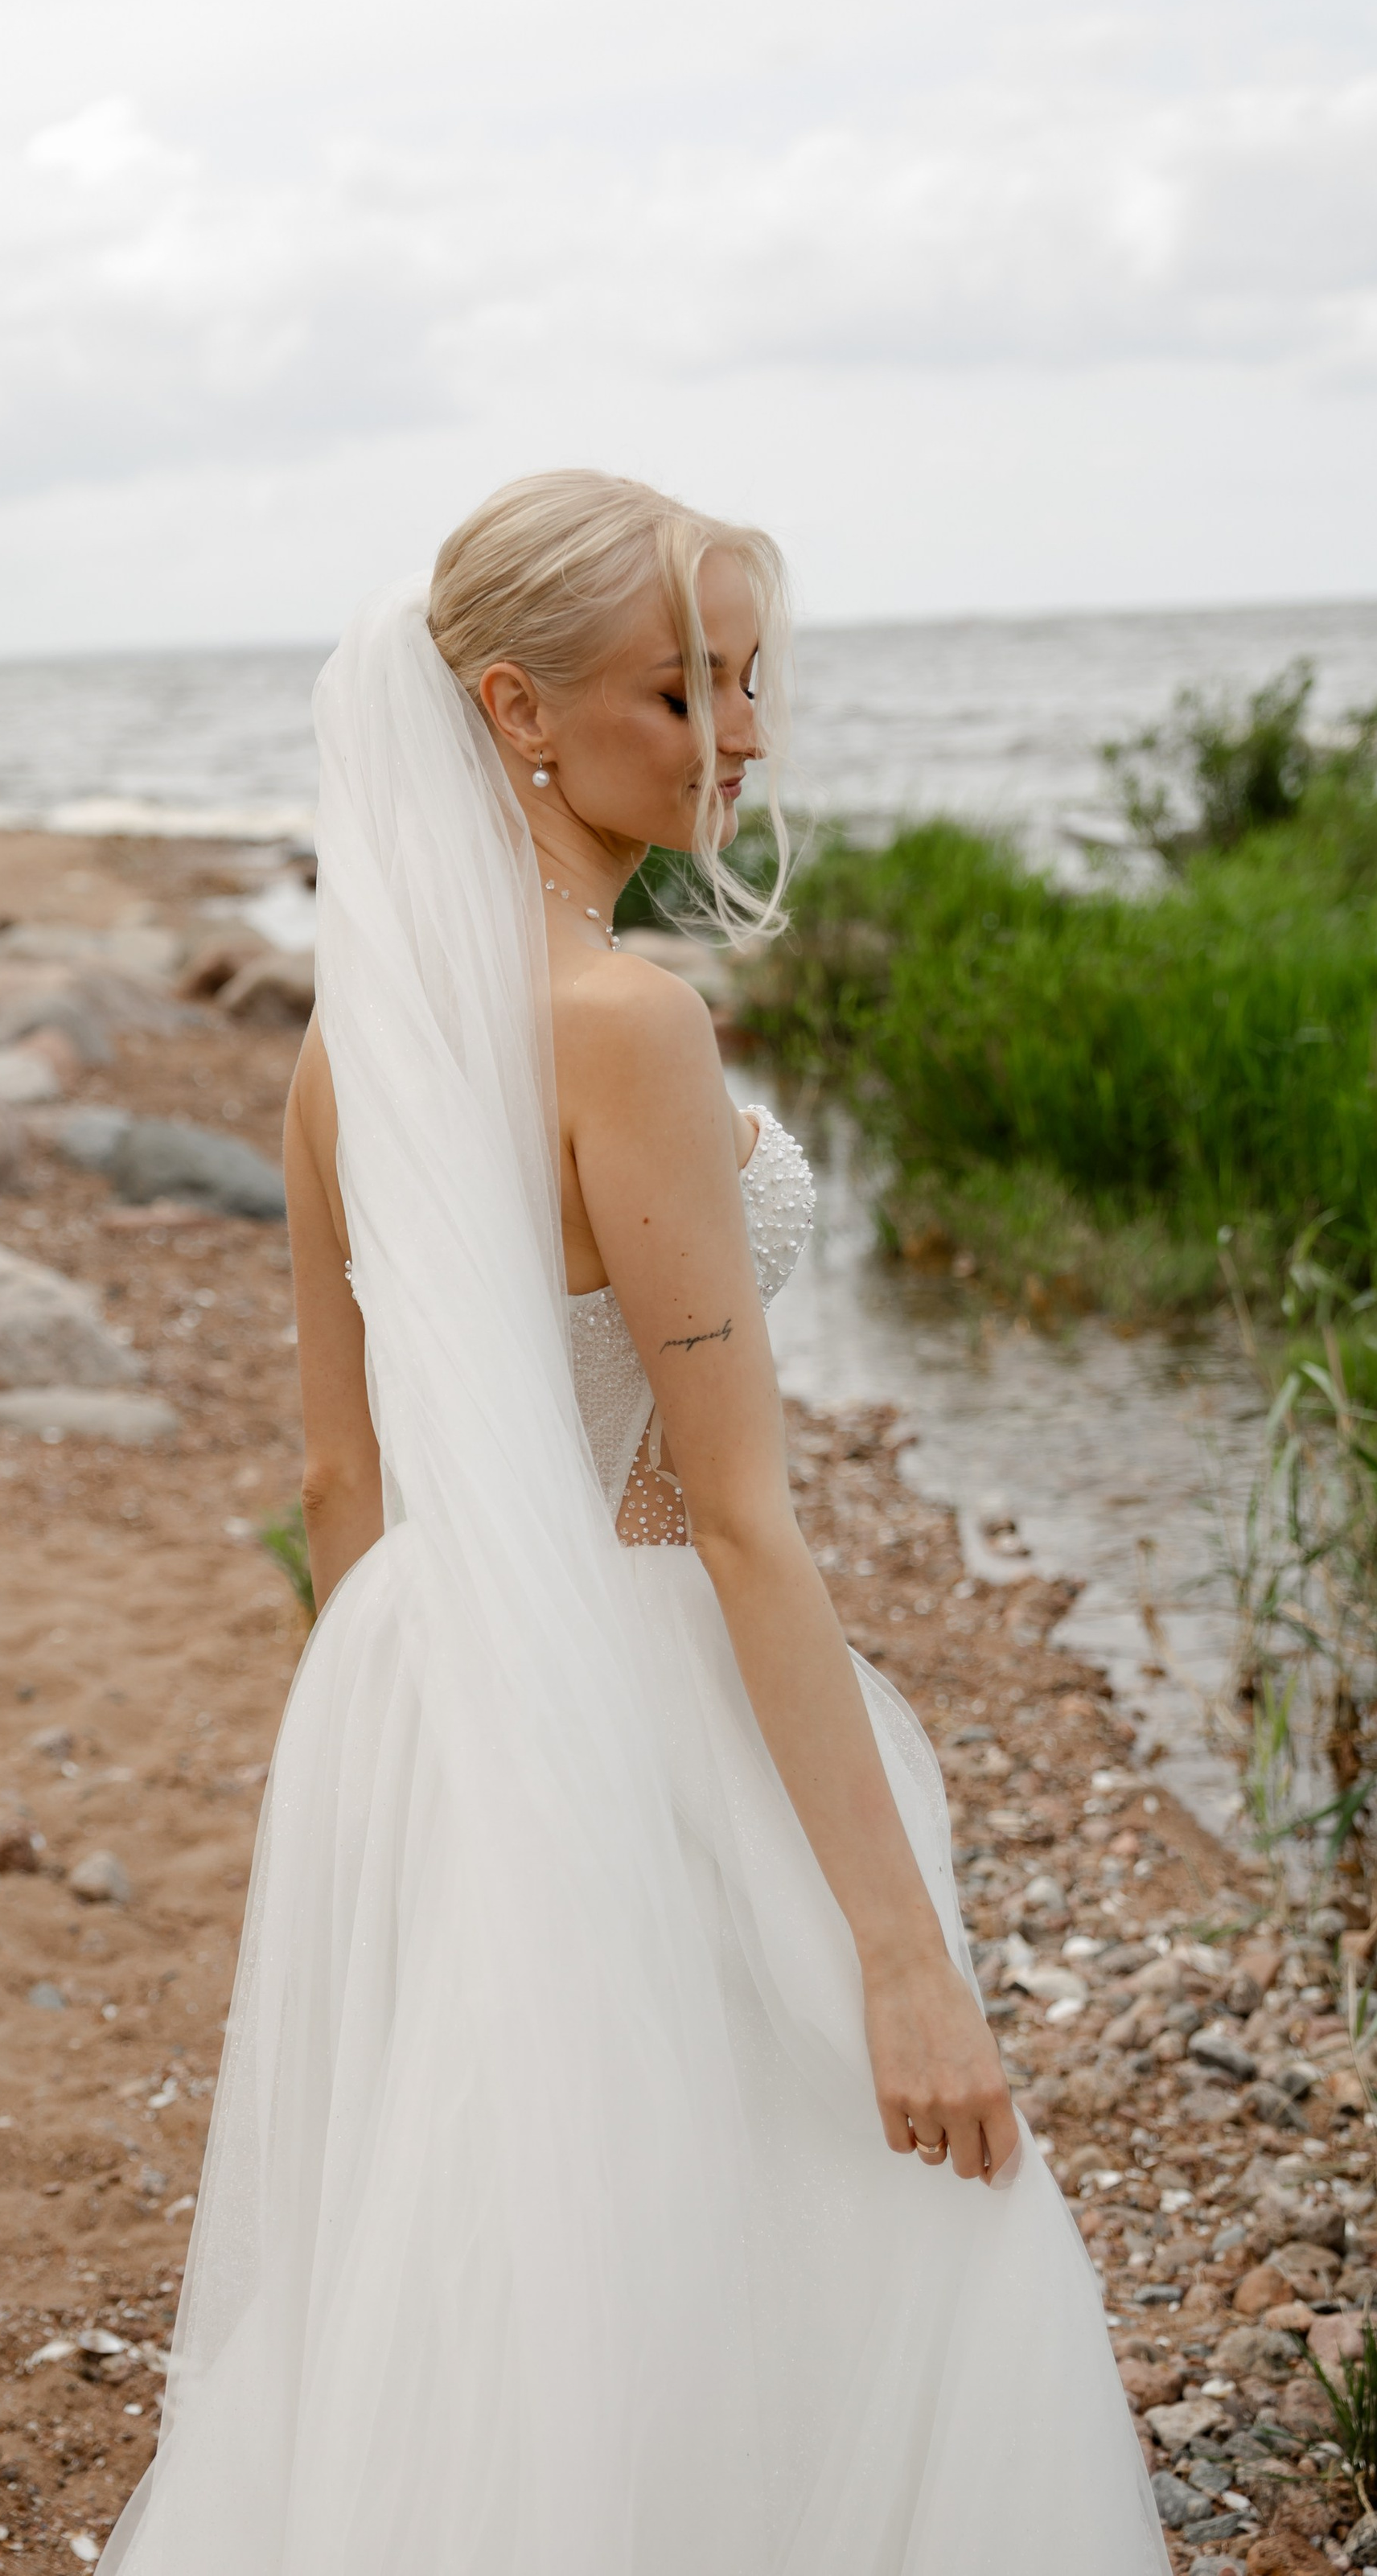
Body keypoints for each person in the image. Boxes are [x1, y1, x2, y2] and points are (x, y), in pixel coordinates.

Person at [101, 473, 1167, 2574]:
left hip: (421, 1684)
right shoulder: (627, 1023)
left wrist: (402, 1755)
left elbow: (344, 1484)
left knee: (498, 2247)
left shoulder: (353, 1048)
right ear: (514, 707)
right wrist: (904, 1958)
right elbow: (752, 1523)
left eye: (754, 680)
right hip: (644, 1675)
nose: (744, 734)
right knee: (808, 2213)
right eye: (686, 688)